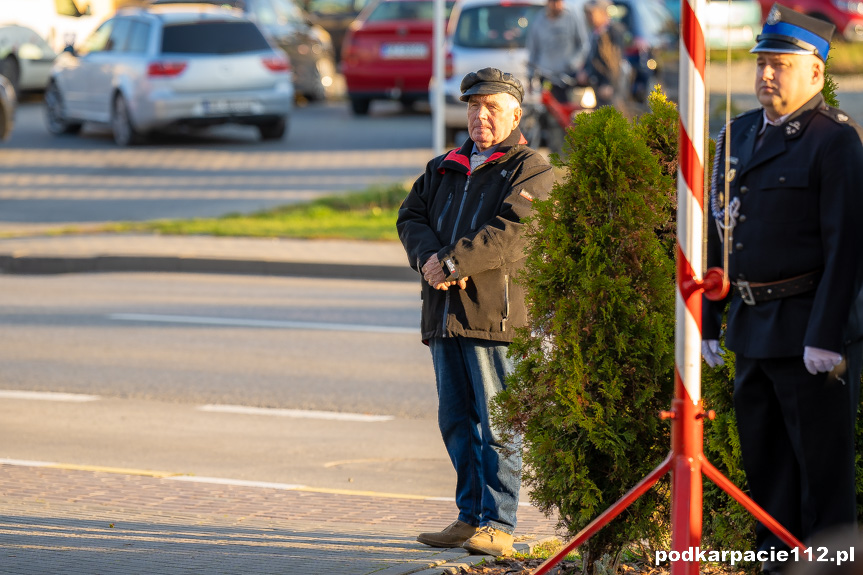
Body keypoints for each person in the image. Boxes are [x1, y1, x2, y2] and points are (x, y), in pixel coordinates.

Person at [702, 4, 863, 572]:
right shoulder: (739, 132)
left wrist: (827, 336)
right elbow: (721, 231)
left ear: (816, 72)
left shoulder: (833, 141)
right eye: (762, 63)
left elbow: (848, 247)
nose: (767, 74)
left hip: (809, 333)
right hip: (751, 329)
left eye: (782, 65)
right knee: (767, 472)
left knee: (822, 481)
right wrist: (711, 320)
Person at [396, 67, 554, 557]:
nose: (480, 115)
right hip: (444, 312)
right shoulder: (443, 165)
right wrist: (429, 260)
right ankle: (468, 517)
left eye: (491, 107)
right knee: (457, 420)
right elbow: (410, 216)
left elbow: (511, 233)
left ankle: (499, 524)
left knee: (499, 422)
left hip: (495, 315)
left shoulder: (532, 168)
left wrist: (453, 262)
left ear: (515, 113)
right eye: (473, 106)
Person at [526, 0, 590, 102]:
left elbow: (584, 45)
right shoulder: (538, 20)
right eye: (552, 2)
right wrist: (530, 77)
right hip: (546, 77)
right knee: (547, 111)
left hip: (568, 77)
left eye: (558, 2)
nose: (556, 5)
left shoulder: (572, 17)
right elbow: (533, 50)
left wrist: (574, 63)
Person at [577, 0, 626, 108]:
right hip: (596, 84)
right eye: (587, 14)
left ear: (603, 13)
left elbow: (616, 61)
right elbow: (591, 57)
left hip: (608, 86)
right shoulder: (594, 33)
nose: (588, 17)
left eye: (591, 13)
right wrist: (585, 70)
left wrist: (609, 84)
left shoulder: (614, 32)